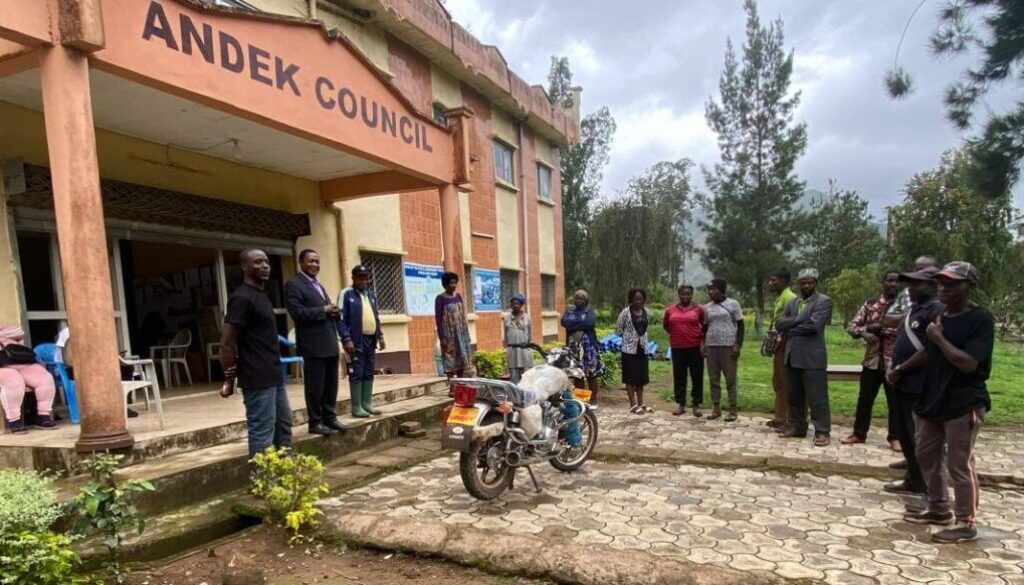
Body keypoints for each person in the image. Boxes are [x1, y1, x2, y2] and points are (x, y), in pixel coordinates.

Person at [904, 262, 993, 545]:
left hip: (964, 401)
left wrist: (939, 338)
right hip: (933, 398)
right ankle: (938, 507)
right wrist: (901, 368)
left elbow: (968, 364)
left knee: (960, 463)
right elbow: (930, 354)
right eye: (941, 283)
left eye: (952, 283)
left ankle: (966, 522)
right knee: (926, 453)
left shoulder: (980, 319)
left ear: (969, 287)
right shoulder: (941, 316)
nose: (944, 288)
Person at [220, 249, 293, 458]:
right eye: (258, 262)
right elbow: (226, 342)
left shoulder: (261, 295)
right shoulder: (241, 298)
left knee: (284, 426)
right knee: (263, 432)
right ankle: (263, 483)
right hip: (256, 376)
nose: (265, 266)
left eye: (267, 262)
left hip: (274, 372)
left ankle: (285, 476)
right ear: (244, 266)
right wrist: (228, 379)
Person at [883, 266, 942, 496]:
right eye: (910, 284)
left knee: (920, 438)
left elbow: (929, 349)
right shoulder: (914, 309)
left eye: (918, 284)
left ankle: (928, 487)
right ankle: (913, 479)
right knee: (906, 435)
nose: (911, 288)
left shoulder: (935, 310)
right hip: (902, 381)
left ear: (932, 286)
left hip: (918, 383)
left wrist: (901, 368)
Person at [285, 249, 348, 436]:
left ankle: (330, 418)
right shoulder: (294, 285)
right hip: (313, 345)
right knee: (315, 386)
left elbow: (325, 310)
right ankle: (315, 422)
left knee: (331, 384)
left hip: (329, 343)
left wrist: (334, 312)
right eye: (311, 261)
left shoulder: (317, 285)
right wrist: (324, 310)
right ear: (301, 262)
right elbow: (297, 312)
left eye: (317, 261)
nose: (315, 265)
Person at [842, 271, 902, 450]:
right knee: (865, 399)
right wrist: (866, 331)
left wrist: (884, 330)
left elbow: (910, 330)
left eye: (896, 281)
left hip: (895, 363)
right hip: (872, 361)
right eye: (889, 280)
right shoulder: (870, 304)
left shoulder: (906, 307)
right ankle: (859, 433)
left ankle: (895, 437)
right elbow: (852, 326)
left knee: (895, 402)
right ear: (883, 282)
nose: (893, 284)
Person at [776, 268, 833, 446]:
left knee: (817, 396)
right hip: (792, 354)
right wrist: (800, 320)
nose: (806, 285)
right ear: (798, 283)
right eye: (803, 282)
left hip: (812, 356)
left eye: (810, 282)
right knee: (794, 395)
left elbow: (814, 326)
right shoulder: (793, 302)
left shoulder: (823, 301)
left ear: (816, 283)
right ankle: (797, 427)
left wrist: (791, 326)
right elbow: (779, 323)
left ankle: (822, 431)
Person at [338, 265, 386, 418]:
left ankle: (367, 403)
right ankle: (356, 406)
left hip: (370, 340)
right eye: (360, 278)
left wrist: (380, 336)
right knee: (356, 372)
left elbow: (375, 317)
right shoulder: (346, 294)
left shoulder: (371, 295)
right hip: (355, 341)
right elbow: (340, 319)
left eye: (366, 278)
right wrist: (346, 339)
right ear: (353, 278)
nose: (364, 281)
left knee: (368, 371)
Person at [0, 325, 57, 433]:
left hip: (20, 362)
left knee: (45, 378)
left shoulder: (4, 329)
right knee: (13, 380)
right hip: (2, 368)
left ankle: (43, 416)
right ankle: (14, 420)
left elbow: (18, 332)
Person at [703, 279, 744, 421]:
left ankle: (733, 409)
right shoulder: (707, 307)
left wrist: (737, 344)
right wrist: (703, 344)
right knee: (714, 379)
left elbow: (741, 326)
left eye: (713, 289)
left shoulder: (733, 304)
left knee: (730, 379)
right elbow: (705, 327)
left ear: (721, 290)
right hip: (711, 345)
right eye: (709, 289)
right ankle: (716, 408)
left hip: (728, 346)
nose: (710, 292)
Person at [663, 285, 705, 417]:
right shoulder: (670, 310)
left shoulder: (699, 310)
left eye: (688, 294)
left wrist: (702, 342)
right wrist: (676, 334)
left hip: (695, 347)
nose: (685, 297)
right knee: (679, 376)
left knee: (696, 376)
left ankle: (696, 405)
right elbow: (666, 325)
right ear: (679, 294)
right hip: (677, 348)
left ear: (692, 295)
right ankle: (681, 405)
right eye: (683, 294)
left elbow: (704, 326)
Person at [561, 289, 604, 402]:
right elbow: (564, 322)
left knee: (591, 375)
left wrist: (573, 325)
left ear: (586, 300)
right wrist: (581, 324)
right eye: (577, 298)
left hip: (588, 347)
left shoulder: (590, 312)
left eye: (581, 299)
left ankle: (593, 401)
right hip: (574, 348)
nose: (579, 301)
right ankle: (582, 402)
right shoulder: (570, 312)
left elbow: (589, 323)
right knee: (577, 375)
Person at [767, 269, 797, 428]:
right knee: (778, 381)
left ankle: (787, 418)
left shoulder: (790, 298)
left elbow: (792, 322)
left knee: (785, 381)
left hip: (785, 343)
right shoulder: (781, 297)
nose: (770, 283)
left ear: (784, 281)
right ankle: (779, 417)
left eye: (774, 280)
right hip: (778, 344)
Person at [617, 288, 651, 414]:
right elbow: (619, 330)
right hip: (628, 349)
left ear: (643, 300)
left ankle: (641, 403)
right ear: (631, 299)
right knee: (630, 377)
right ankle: (633, 404)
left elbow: (646, 327)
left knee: (641, 377)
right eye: (635, 299)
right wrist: (629, 338)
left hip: (642, 349)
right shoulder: (625, 313)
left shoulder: (646, 312)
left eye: (640, 299)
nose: (638, 301)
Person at [884, 255, 940, 328]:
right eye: (918, 269)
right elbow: (888, 320)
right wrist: (914, 315)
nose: (920, 272)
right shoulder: (907, 292)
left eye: (926, 269)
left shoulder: (945, 294)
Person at [434, 271, 472, 378]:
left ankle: (460, 383)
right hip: (448, 335)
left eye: (455, 283)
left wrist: (466, 335)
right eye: (451, 283)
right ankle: (452, 386)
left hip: (460, 334)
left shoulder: (458, 296)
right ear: (445, 284)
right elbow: (438, 319)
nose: (453, 285)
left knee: (461, 359)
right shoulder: (440, 299)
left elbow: (463, 316)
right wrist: (442, 339)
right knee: (450, 360)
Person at [502, 293, 532, 383]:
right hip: (512, 350)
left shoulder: (527, 318)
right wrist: (507, 347)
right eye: (513, 303)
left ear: (522, 305)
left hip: (524, 350)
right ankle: (515, 395)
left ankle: (527, 395)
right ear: (511, 305)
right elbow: (505, 334)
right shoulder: (507, 318)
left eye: (517, 304)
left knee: (527, 376)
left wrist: (528, 345)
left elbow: (530, 334)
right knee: (514, 377)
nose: (515, 305)